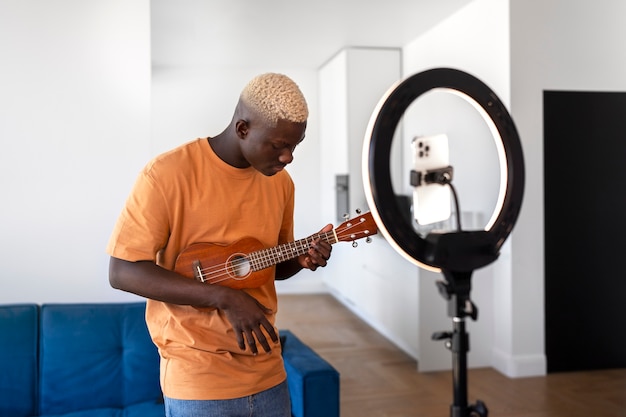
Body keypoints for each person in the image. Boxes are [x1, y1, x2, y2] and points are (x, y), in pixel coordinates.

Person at [106, 73, 333, 417]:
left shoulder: (281, 184)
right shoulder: (167, 174)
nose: (288, 158)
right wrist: (224, 297)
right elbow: (122, 271)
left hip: (267, 369)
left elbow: (267, 269)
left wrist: (300, 258)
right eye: (278, 146)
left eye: (295, 146)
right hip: (197, 378)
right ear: (243, 128)